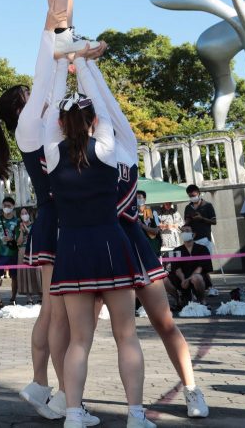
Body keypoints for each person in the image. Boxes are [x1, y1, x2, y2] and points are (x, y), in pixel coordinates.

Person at [87, 56, 209, 418]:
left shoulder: (120, 147)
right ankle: (74, 401)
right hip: (102, 248)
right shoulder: (81, 154)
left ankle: (191, 388)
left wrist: (86, 66)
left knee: (163, 321)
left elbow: (107, 105)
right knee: (89, 333)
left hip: (132, 244)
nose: (101, 119)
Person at [44, 54, 151, 428]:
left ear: (60, 124)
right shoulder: (105, 146)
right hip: (110, 244)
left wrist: (61, 64)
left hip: (72, 249)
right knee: (126, 335)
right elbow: (106, 110)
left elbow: (51, 116)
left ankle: (73, 414)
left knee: (79, 340)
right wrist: (84, 64)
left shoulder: (51, 153)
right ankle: (135, 415)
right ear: (93, 122)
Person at [0, 29, 70, 420]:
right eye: (32, 97)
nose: (41, 99)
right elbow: (46, 81)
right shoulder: (29, 128)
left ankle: (43, 384)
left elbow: (51, 87)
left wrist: (63, 51)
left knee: (52, 311)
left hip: (55, 217)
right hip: (56, 219)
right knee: (56, 313)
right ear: (23, 106)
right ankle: (60, 391)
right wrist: (53, 31)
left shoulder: (39, 126)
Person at [163, 225, 212, 307]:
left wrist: (188, 279)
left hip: (197, 277)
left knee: (196, 277)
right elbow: (177, 268)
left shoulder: (203, 249)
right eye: (183, 231)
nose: (184, 233)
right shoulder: (176, 250)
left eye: (187, 231)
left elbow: (200, 268)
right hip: (181, 279)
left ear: (194, 234)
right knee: (164, 280)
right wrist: (183, 280)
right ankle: (178, 300)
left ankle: (202, 300)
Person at [0, 197, 21, 308]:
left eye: (8, 206)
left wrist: (12, 238)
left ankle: (13, 298)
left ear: (13, 207)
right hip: (0, 253)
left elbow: (19, 238)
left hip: (13, 253)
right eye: (4, 206)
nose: (6, 208)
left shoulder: (17, 221)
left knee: (14, 277)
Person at [16, 208, 41, 302]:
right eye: (22, 214)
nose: (24, 215)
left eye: (25, 213)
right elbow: (18, 242)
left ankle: (41, 295)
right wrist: (21, 232)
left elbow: (36, 237)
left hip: (34, 249)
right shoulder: (18, 227)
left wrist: (26, 230)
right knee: (25, 273)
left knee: (37, 272)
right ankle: (29, 297)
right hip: (23, 250)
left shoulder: (35, 225)